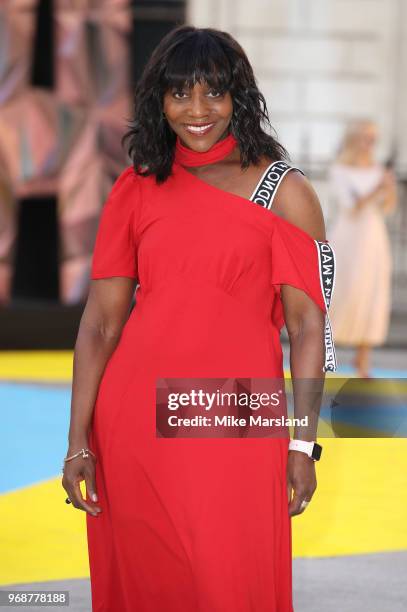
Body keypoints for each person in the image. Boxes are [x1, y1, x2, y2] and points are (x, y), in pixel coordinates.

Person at [62, 26, 337, 612]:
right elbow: (100, 325)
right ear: (158, 101)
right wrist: (76, 441)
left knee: (228, 579)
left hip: (234, 413)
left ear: (240, 97)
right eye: (179, 93)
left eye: (213, 92)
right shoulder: (135, 188)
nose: (196, 110)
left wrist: (304, 441)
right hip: (132, 420)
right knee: (148, 576)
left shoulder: (282, 190)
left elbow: (310, 327)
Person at [328, 120, 397, 378]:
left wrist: (389, 190)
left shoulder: (378, 170)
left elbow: (386, 207)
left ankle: (363, 359)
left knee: (372, 292)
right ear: (355, 138)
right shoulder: (339, 170)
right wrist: (377, 188)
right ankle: (326, 354)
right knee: (342, 291)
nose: (371, 143)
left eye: (374, 138)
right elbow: (351, 206)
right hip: (348, 238)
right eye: (367, 137)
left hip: (373, 237)